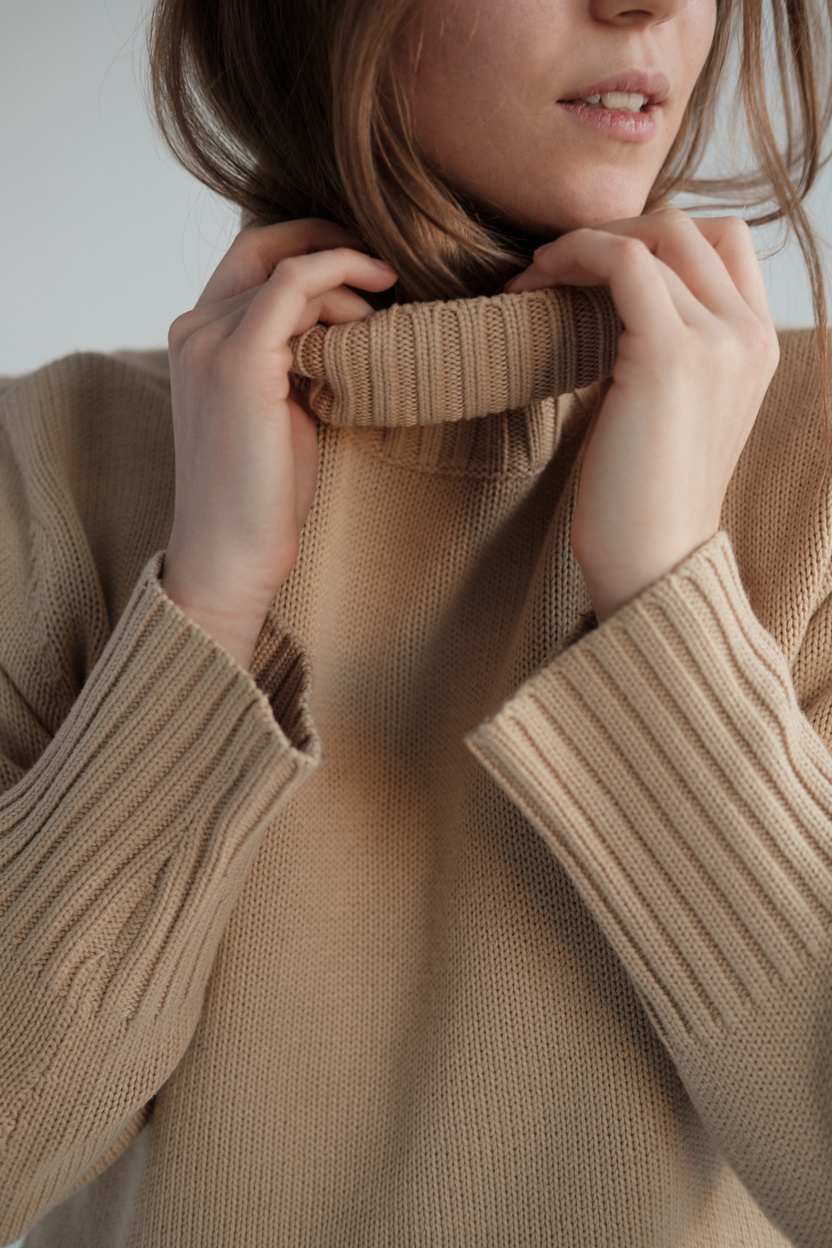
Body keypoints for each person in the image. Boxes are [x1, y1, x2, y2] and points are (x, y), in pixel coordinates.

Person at [2, 0, 832, 1243]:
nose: (648, 5)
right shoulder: (52, 466)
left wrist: (667, 594)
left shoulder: (811, 465)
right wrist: (207, 606)